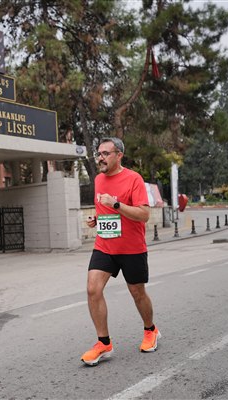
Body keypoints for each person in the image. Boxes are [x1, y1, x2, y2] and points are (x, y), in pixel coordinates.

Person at [80, 137, 159, 367]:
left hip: (131, 247)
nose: (100, 158)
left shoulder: (134, 179)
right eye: (99, 153)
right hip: (105, 245)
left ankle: (150, 330)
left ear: (119, 155)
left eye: (106, 153)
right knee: (92, 289)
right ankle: (104, 343)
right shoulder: (98, 180)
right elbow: (105, 212)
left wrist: (116, 204)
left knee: (137, 293)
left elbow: (144, 214)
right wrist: (97, 219)